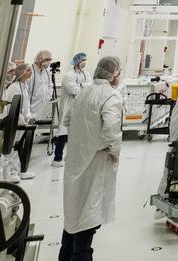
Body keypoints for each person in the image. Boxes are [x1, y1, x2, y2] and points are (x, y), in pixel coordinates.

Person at [62, 56, 124, 261]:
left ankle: (66, 255)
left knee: (73, 213)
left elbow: (67, 119)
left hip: (76, 158)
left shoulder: (83, 92)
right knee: (88, 215)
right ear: (113, 74)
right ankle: (80, 256)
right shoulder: (110, 96)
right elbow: (111, 131)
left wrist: (83, 139)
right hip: (97, 160)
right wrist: (114, 152)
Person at [53, 52, 89, 166]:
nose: (84, 62)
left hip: (81, 106)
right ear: (76, 62)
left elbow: (91, 87)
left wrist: (83, 87)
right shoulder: (68, 75)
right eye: (82, 60)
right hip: (69, 105)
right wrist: (83, 87)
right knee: (63, 132)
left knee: (78, 133)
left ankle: (72, 157)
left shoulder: (86, 74)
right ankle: (57, 158)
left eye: (85, 60)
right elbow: (74, 90)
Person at [29, 49, 54, 124]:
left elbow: (50, 86)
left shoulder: (46, 72)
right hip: (31, 105)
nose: (48, 63)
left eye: (49, 60)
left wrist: (48, 97)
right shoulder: (30, 71)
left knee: (36, 128)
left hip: (42, 105)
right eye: (46, 60)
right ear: (39, 59)